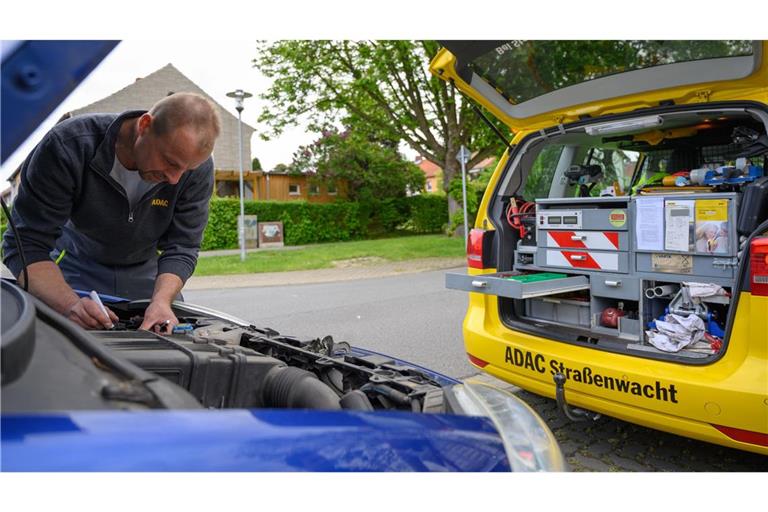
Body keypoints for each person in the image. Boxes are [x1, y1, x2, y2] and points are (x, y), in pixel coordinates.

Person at [2, 92, 221, 333]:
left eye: (186, 169)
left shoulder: (196, 170)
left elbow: (182, 246)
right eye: (169, 162)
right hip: (75, 267)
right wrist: (69, 304)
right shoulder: (70, 145)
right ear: (145, 125)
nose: (174, 179)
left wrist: (161, 301)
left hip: (148, 273)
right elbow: (25, 244)